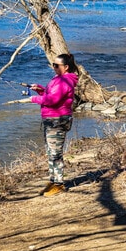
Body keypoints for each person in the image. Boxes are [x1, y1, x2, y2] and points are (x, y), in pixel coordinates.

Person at [30, 53, 79, 197]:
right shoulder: (59, 78)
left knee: (55, 153)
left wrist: (34, 99)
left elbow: (53, 100)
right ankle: (53, 180)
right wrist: (40, 90)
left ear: (66, 67)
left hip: (57, 120)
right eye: (53, 64)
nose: (54, 67)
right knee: (50, 151)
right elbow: (51, 94)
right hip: (51, 119)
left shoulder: (65, 80)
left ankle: (59, 184)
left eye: (57, 65)